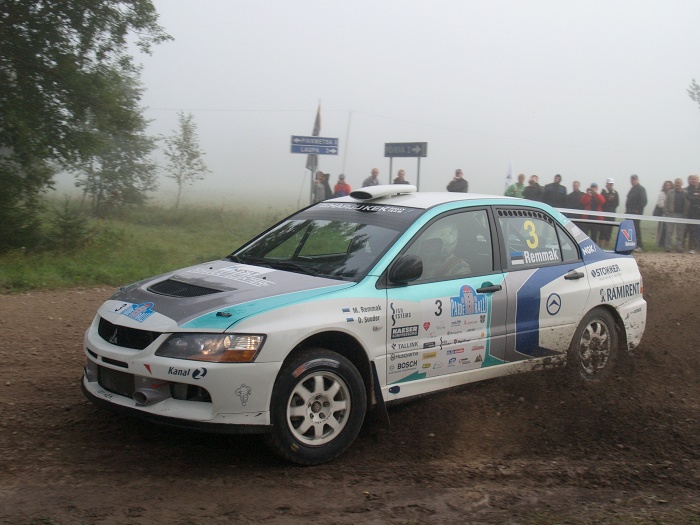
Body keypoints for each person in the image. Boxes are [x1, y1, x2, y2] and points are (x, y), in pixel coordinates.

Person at [664, 178, 688, 253]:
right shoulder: (670, 192)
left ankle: (679, 247)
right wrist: (667, 213)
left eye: (679, 183)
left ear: (681, 184)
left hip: (682, 215)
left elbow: (688, 203)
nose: (677, 184)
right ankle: (668, 247)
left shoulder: (685, 193)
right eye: (676, 182)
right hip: (671, 214)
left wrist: (686, 214)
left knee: (680, 232)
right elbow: (666, 204)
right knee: (669, 231)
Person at [625, 174, 648, 251]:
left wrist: (637, 209)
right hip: (629, 213)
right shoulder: (632, 189)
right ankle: (631, 245)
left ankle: (639, 245)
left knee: (636, 229)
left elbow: (644, 201)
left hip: (636, 214)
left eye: (634, 180)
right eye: (632, 180)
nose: (633, 181)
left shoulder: (641, 189)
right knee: (630, 230)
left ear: (637, 180)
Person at [599, 178, 620, 248]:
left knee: (609, 229)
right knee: (603, 228)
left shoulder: (615, 192)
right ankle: (601, 243)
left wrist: (609, 202)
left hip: (612, 213)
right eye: (609, 184)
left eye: (612, 184)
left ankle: (607, 243)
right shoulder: (603, 192)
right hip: (604, 213)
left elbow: (617, 203)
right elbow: (602, 202)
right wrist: (608, 201)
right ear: (607, 184)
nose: (610, 185)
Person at [654, 180, 673, 247]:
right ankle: (659, 243)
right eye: (666, 185)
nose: (667, 186)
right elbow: (660, 204)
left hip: (670, 214)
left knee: (669, 230)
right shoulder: (662, 194)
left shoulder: (673, 193)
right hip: (662, 213)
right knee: (661, 229)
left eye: (668, 185)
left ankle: (667, 243)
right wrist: (666, 208)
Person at [686, 174, 700, 253]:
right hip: (692, 213)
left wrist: (696, 196)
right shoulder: (688, 189)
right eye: (692, 179)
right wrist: (697, 196)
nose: (693, 181)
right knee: (692, 231)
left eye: (694, 179)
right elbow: (689, 198)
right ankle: (692, 248)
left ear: (698, 179)